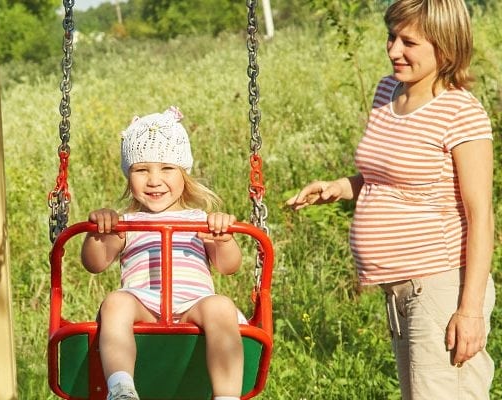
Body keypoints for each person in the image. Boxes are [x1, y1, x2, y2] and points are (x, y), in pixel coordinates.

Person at [285, 0, 495, 398]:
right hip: (399, 292)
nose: (393, 50)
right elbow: (384, 176)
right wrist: (340, 186)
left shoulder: (460, 112)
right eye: (391, 37)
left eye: (409, 42)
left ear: (445, 46)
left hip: (440, 287)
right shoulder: (387, 92)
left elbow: (481, 215)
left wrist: (469, 311)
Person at [81, 106, 245, 400]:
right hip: (144, 305)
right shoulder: (125, 223)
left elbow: (229, 266)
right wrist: (99, 233)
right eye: (141, 170)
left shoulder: (200, 220)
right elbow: (95, 263)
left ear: (184, 174)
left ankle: (227, 396)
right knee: (116, 302)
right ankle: (120, 389)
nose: (154, 180)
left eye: (167, 168)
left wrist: (223, 240)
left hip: (193, 306)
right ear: (129, 177)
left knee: (220, 306)